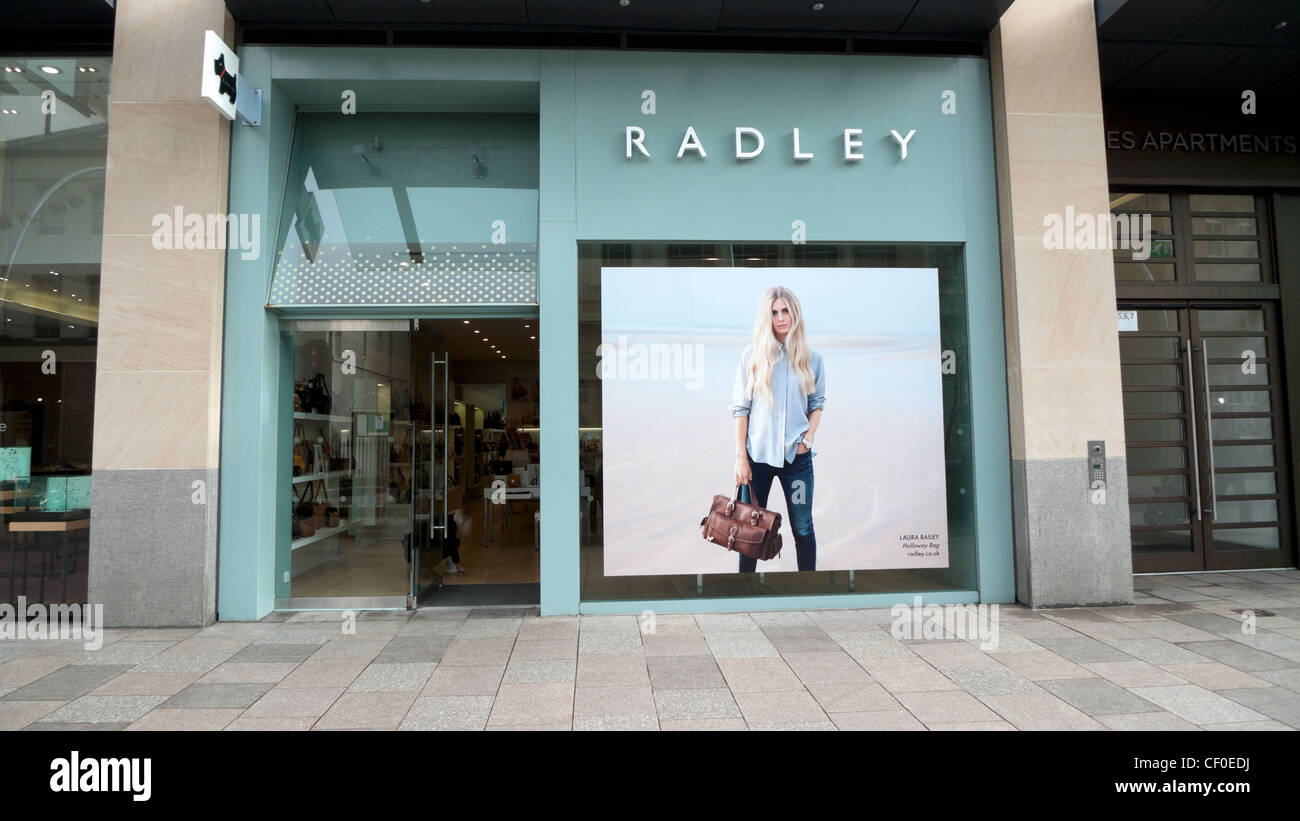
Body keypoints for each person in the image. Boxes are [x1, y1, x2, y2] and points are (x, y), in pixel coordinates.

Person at [729, 285, 825, 572]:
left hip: (797, 462)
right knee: (750, 531)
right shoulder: (751, 356)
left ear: (794, 313)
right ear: (766, 317)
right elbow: (740, 409)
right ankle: (744, 593)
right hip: (756, 460)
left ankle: (808, 589)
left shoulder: (812, 358)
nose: (781, 318)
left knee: (803, 528)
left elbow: (817, 404)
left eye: (785, 310)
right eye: (774, 312)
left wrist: (806, 442)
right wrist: (740, 457)